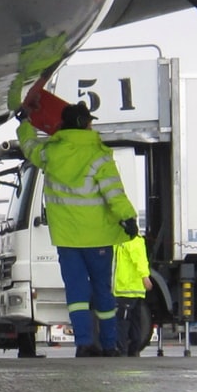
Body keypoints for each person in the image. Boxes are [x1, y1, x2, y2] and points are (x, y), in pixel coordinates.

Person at [16, 100, 138, 357]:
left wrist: (25, 124)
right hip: (98, 237)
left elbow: (28, 148)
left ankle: (83, 343)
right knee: (103, 292)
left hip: (68, 238)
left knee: (77, 292)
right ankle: (109, 344)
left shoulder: (51, 153)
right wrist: (127, 218)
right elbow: (113, 192)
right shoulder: (98, 154)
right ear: (84, 123)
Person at [113, 231, 152, 357]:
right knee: (134, 321)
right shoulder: (123, 240)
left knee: (123, 322)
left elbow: (140, 260)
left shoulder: (130, 241)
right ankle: (133, 350)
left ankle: (123, 351)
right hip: (131, 289)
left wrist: (145, 276)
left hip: (126, 289)